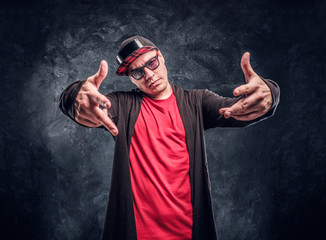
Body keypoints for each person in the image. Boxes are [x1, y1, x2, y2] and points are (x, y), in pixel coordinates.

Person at [59, 35, 280, 240]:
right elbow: (89, 104)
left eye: (151, 63)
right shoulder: (123, 106)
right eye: (137, 72)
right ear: (131, 79)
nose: (149, 75)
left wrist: (269, 93)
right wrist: (75, 97)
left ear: (161, 57)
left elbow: (241, 109)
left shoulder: (197, 102)